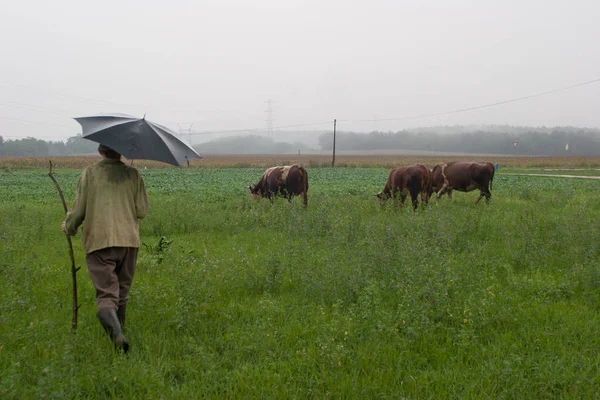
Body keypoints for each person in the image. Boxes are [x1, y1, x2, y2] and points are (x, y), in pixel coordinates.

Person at [62, 144, 149, 352]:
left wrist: (69, 227)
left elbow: (79, 210)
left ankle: (117, 336)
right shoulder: (134, 174)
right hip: (129, 241)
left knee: (106, 295)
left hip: (99, 241)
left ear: (101, 151)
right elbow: (142, 211)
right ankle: (121, 335)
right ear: (121, 151)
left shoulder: (90, 174)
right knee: (122, 292)